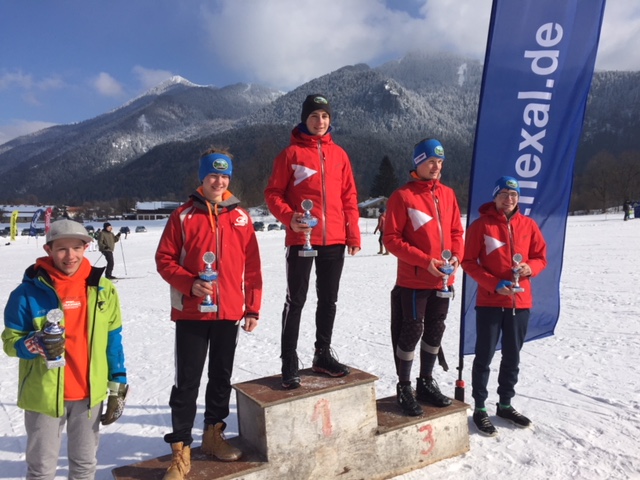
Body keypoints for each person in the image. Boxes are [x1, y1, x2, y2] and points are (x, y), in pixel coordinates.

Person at [156, 147, 262, 479]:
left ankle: (213, 436)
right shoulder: (183, 216)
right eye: (213, 174)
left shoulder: (240, 216)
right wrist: (190, 284)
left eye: (225, 175)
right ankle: (181, 450)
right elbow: (164, 260)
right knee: (187, 383)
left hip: (228, 312)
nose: (219, 181)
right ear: (202, 177)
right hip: (192, 314)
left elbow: (253, 267)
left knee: (221, 378)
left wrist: (252, 306)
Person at [2, 219, 128, 479]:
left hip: (88, 395)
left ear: (86, 247)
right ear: (48, 250)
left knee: (84, 465)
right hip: (44, 396)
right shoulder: (26, 293)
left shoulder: (103, 289)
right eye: (61, 249)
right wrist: (30, 345)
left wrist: (118, 382)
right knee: (41, 469)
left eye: (76, 248)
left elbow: (113, 339)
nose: (70, 256)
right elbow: (10, 341)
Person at [265, 93, 361, 390]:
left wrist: (353, 233)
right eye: (314, 116)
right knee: (296, 300)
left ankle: (322, 354)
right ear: (304, 120)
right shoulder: (290, 155)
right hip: (302, 238)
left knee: (328, 300)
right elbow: (273, 194)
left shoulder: (340, 155)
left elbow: (349, 197)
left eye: (325, 116)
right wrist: (289, 216)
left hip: (333, 239)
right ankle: (289, 361)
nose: (320, 122)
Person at [383, 138, 464, 416]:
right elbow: (391, 239)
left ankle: (426, 381)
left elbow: (456, 232)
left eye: (440, 162)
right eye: (431, 161)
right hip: (415, 280)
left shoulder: (449, 194)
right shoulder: (402, 197)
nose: (436, 166)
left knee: (435, 329)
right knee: (411, 330)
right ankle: (404, 385)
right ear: (418, 162)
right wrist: (424, 262)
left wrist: (456, 257)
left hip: (444, 279)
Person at [462, 176, 547, 436]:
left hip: (520, 302)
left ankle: (505, 404)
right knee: (484, 356)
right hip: (490, 301)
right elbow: (468, 261)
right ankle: (479, 408)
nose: (509, 199)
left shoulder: (528, 225)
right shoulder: (481, 225)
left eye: (514, 194)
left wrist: (530, 268)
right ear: (495, 196)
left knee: (512, 356)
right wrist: (493, 283)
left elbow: (541, 256)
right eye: (504, 194)